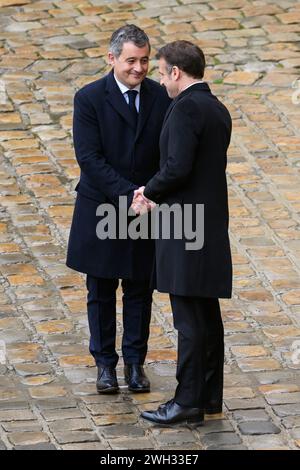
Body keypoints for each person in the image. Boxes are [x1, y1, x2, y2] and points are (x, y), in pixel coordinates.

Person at [66, 25, 171, 394]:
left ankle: (135, 365)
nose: (139, 68)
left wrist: (150, 193)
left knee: (140, 288)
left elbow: (166, 153)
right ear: (111, 59)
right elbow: (89, 158)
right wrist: (130, 194)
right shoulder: (90, 98)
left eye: (144, 60)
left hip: (144, 209)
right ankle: (105, 366)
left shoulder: (160, 97)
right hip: (103, 206)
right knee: (101, 289)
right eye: (131, 61)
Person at [138, 40, 232, 424]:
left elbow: (177, 167)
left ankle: (187, 401)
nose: (160, 81)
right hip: (210, 227)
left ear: (176, 71)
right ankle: (208, 396)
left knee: (189, 319)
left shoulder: (185, 109)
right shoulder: (216, 108)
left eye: (161, 72)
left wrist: (148, 191)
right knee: (207, 315)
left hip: (185, 228)